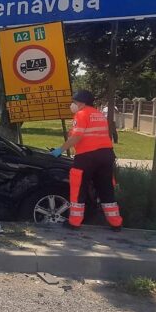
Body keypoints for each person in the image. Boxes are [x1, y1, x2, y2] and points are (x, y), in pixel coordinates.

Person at [50, 90, 122, 231]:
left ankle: (74, 223)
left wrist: (59, 150)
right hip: (106, 155)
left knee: (78, 188)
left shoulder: (81, 114)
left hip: (87, 157)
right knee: (106, 189)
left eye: (75, 102)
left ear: (81, 102)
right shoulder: (99, 114)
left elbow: (77, 137)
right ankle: (116, 223)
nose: (73, 104)